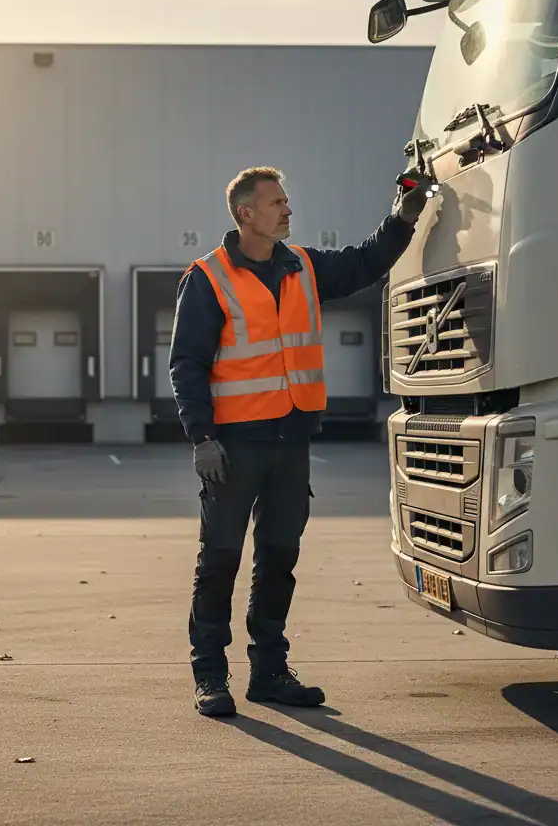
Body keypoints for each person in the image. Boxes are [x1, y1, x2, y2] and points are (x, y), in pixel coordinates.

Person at [169, 164, 433, 717]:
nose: (288, 210)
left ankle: (268, 670)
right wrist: (202, 439)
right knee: (220, 557)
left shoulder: (303, 267)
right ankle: (210, 676)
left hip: (291, 440)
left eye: (287, 201)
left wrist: (401, 217)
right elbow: (187, 366)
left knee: (279, 556)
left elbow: (366, 261)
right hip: (234, 445)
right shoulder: (209, 277)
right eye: (276, 203)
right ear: (246, 213)